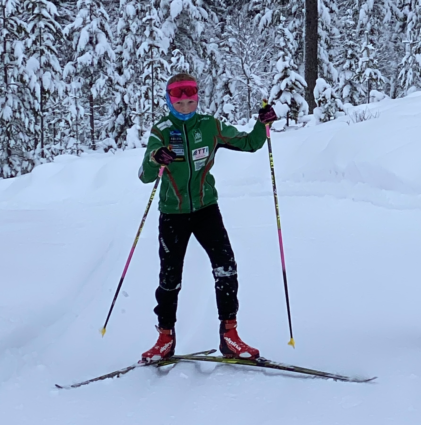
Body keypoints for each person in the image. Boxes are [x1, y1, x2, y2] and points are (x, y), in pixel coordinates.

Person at [138, 73, 278, 362]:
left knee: (226, 267)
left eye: (191, 101)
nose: (186, 107)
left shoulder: (210, 127)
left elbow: (249, 143)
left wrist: (261, 124)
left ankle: (229, 336)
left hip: (206, 209)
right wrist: (156, 158)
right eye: (180, 102)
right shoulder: (161, 130)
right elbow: (144, 175)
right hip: (173, 213)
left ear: (197, 100)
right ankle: (164, 337)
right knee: (169, 277)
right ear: (170, 101)